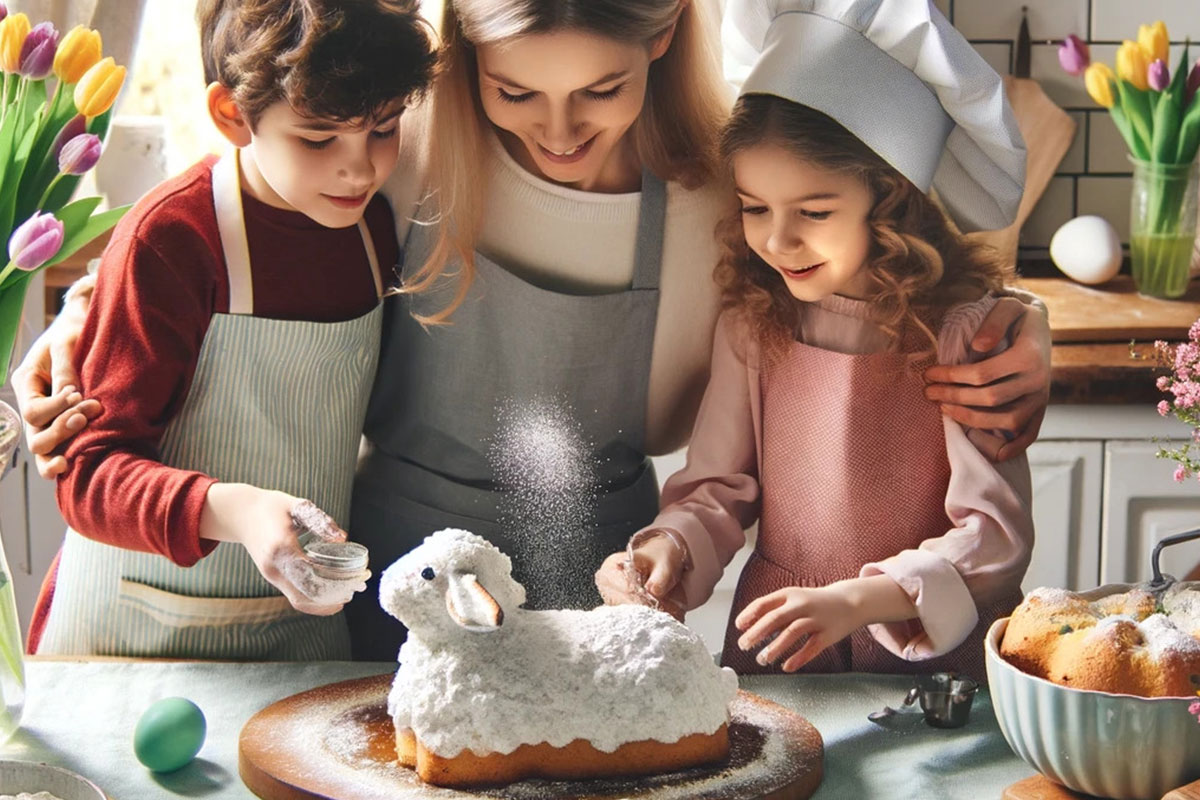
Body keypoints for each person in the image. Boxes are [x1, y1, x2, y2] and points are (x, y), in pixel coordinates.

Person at [16, 0, 1051, 663]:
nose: (558, 132)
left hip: (600, 592)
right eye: (516, 92)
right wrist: (67, 327)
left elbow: (863, 290)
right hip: (389, 587)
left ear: (663, 34)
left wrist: (1016, 325)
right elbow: (228, 216)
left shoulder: (718, 200)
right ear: (467, 59)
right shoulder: (395, 147)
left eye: (601, 92)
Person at [596, 0, 1035, 679]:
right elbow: (715, 489)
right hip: (783, 649)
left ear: (889, 200)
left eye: (814, 211)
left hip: (925, 660)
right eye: (754, 206)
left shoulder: (964, 336)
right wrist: (669, 549)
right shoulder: (752, 323)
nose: (777, 239)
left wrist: (863, 599)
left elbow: (995, 537)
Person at [23, 0, 437, 659]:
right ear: (231, 116)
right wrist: (236, 510)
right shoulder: (173, 241)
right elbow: (86, 477)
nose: (359, 168)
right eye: (319, 138)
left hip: (296, 626)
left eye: (383, 129)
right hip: (135, 635)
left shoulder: (371, 228)